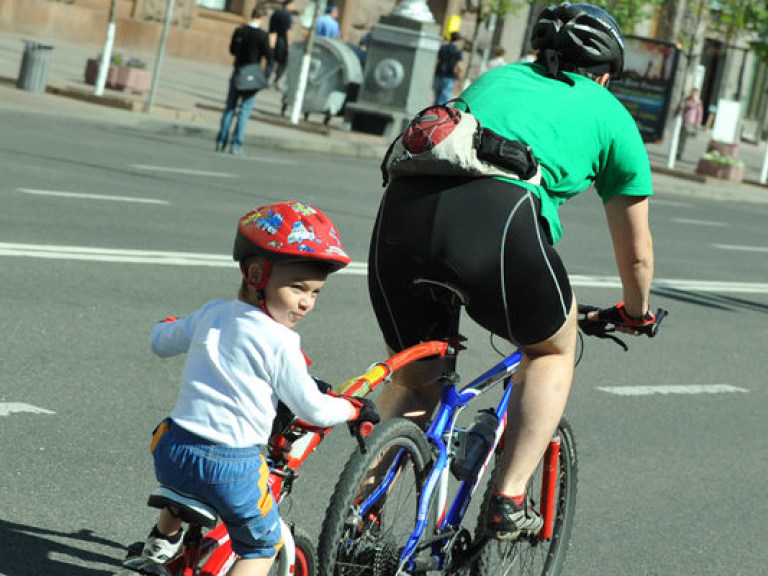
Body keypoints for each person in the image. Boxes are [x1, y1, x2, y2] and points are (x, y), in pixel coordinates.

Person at [369, 3, 658, 541]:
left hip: (399, 219)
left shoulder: (497, 77)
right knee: (551, 350)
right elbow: (636, 253)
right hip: (497, 226)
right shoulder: (610, 112)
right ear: (603, 72)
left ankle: (363, 519)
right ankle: (508, 497)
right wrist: (636, 314)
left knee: (416, 379)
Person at [134, 202, 379, 576]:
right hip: (230, 467)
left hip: (171, 450)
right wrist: (351, 408)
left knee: (188, 482)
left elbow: (160, 341)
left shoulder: (212, 313)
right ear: (256, 274)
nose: (306, 303)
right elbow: (312, 409)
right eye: (297, 287)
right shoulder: (282, 342)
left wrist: (166, 324)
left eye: (315, 293)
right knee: (262, 544)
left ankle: (159, 545)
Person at [215, 6, 273, 155]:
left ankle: (221, 141)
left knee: (230, 108)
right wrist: (265, 75)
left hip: (238, 72)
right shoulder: (262, 36)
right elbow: (269, 57)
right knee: (245, 111)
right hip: (252, 75)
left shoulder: (239, 31)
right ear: (263, 18)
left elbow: (232, 50)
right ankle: (236, 144)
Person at [266, 0, 295, 90]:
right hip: (283, 41)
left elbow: (271, 28)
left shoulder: (276, 13)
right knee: (283, 62)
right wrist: (289, 44)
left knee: (271, 61)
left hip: (273, 38)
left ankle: (266, 78)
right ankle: (276, 81)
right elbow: (288, 30)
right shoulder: (287, 15)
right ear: (288, 4)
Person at [433, 32, 464, 105]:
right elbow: (459, 66)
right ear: (458, 40)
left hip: (439, 74)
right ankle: (441, 114)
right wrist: (460, 78)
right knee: (445, 98)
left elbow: (438, 60)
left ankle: (434, 112)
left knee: (437, 97)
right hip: (449, 76)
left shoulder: (443, 48)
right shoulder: (457, 51)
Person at [677, 87, 703, 159]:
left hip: (690, 121)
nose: (693, 94)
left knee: (683, 138)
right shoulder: (686, 100)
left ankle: (679, 152)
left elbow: (699, 113)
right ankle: (677, 151)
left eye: (695, 93)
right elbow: (679, 107)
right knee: (679, 137)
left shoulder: (697, 102)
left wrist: (697, 124)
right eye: (692, 92)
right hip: (682, 120)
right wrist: (674, 116)